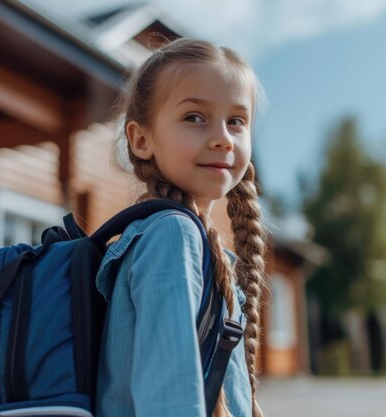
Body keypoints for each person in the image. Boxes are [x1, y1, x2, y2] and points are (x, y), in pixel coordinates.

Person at [95, 38, 266, 417]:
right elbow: (170, 400)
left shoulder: (191, 242)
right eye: (194, 117)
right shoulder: (173, 236)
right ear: (141, 139)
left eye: (236, 121)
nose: (223, 138)